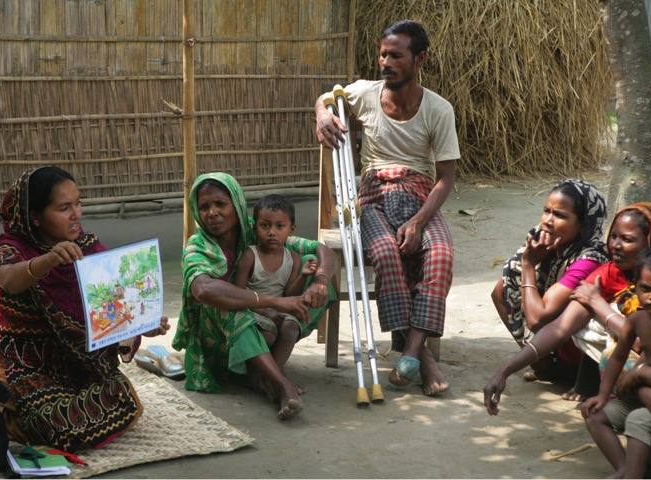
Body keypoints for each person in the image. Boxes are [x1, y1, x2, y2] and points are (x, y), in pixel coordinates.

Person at [315, 19, 458, 396]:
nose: (385, 62)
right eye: (383, 54)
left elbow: (445, 178)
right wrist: (322, 114)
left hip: (419, 196)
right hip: (375, 195)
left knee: (441, 253)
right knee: (384, 251)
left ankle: (410, 350)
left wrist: (417, 221)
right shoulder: (364, 93)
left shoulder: (439, 110)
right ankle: (422, 359)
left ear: (419, 59)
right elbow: (328, 97)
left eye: (396, 55)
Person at [0, 166, 171, 452]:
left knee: (121, 397)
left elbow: (113, 310)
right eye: (64, 207)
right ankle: (11, 414)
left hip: (80, 363)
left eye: (78, 203)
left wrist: (144, 323)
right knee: (56, 422)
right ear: (34, 217)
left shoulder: (87, 247)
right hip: (26, 364)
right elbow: (9, 280)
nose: (76, 214)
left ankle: (18, 417)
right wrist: (46, 261)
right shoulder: (10, 248)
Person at [171, 173, 336, 420]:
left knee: (317, 280)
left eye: (220, 204)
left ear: (236, 203)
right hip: (217, 338)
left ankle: (261, 374)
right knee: (228, 307)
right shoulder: (198, 246)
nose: (212, 213)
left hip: (267, 322)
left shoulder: (259, 228)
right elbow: (204, 290)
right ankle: (282, 384)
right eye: (204, 207)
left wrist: (320, 282)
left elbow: (320, 250)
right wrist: (273, 302)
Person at [484, 202, 651, 416]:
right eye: (613, 236)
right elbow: (560, 328)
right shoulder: (608, 274)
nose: (615, 245)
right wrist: (505, 371)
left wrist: (599, 305)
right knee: (584, 325)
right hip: (644, 367)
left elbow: (643, 340)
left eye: (627, 239)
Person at [490, 179, 608, 401]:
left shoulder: (590, 260)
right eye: (546, 211)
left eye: (560, 215)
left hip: (581, 345)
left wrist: (527, 267)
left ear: (584, 225)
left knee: (528, 292)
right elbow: (504, 292)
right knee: (503, 288)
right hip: (557, 337)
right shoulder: (545, 243)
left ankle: (570, 371)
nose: (548, 221)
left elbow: (538, 319)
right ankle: (544, 364)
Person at [581, 244, 651, 478]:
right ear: (635, 287)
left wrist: (641, 373)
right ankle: (623, 468)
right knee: (595, 414)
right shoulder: (637, 320)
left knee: (638, 420)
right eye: (646, 288)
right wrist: (603, 395)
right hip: (643, 397)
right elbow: (618, 356)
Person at [232, 194, 320, 393]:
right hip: (253, 310)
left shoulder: (294, 260)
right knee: (269, 335)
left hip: (279, 310)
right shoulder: (250, 255)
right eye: (265, 226)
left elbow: (290, 294)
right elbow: (237, 294)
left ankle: (273, 375)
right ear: (255, 227)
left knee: (290, 327)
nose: (272, 232)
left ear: (291, 229)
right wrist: (266, 312)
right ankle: (273, 377)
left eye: (279, 227)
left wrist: (302, 275)